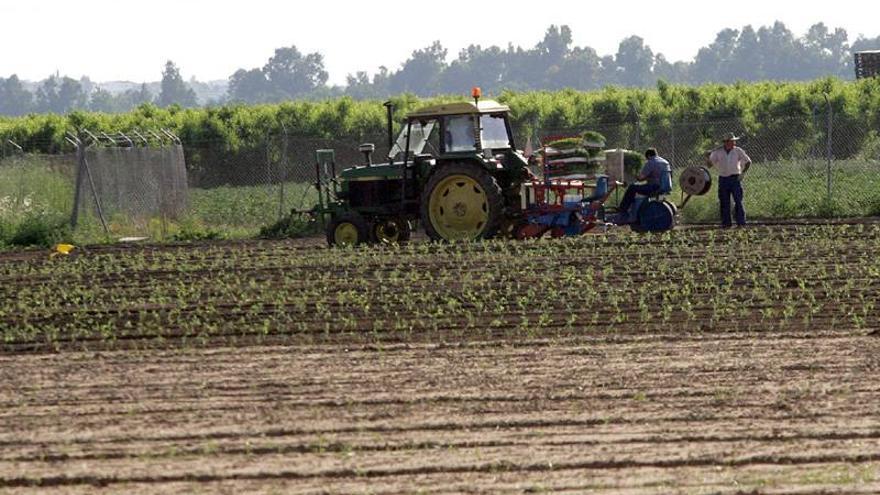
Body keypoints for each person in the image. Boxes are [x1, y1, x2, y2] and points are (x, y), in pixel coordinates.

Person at [707, 132, 752, 228]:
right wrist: (709, 156)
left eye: (733, 141)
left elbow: (748, 162)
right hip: (723, 179)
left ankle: (741, 223)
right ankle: (726, 224)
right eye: (731, 141)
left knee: (738, 201)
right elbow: (709, 165)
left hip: (735, 178)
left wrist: (743, 173)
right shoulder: (718, 152)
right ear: (726, 142)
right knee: (724, 202)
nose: (733, 143)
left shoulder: (738, 151)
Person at [615, 148, 671, 223]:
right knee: (638, 188)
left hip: (654, 187)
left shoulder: (651, 162)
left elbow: (641, 178)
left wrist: (633, 174)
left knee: (632, 188)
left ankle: (623, 210)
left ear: (648, 156)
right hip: (665, 186)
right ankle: (634, 211)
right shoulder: (665, 162)